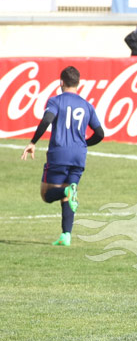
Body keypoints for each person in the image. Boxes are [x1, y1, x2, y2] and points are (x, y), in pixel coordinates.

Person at [20, 66, 105, 246]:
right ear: (78, 83)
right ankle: (66, 235)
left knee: (47, 194)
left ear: (61, 82)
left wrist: (33, 142)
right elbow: (99, 133)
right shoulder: (87, 105)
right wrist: (83, 144)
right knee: (70, 190)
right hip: (78, 157)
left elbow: (47, 120)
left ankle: (67, 192)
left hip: (59, 154)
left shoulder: (55, 101)